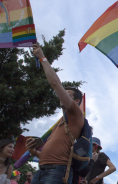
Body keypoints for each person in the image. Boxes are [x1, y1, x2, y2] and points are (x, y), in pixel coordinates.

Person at [27, 43, 85, 184]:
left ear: (77, 101)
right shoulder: (60, 122)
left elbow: (55, 83)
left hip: (58, 171)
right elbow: (49, 156)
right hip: (42, 170)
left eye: (67, 95)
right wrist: (33, 151)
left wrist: (42, 58)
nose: (62, 96)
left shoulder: (76, 113)